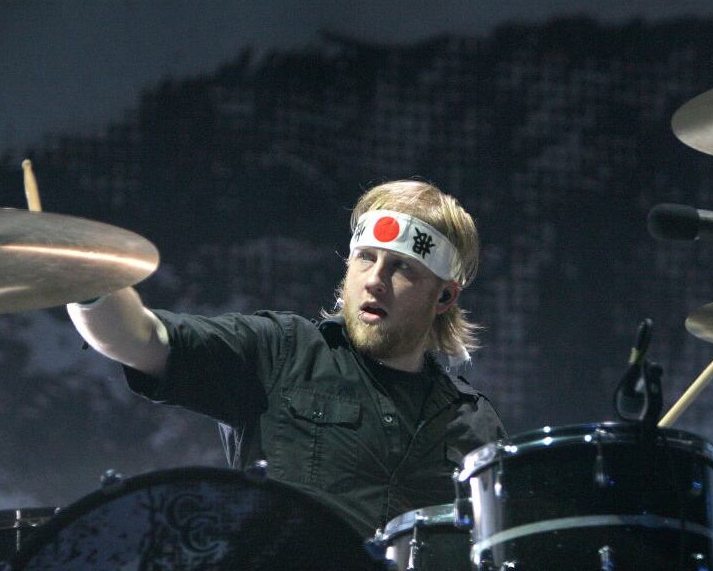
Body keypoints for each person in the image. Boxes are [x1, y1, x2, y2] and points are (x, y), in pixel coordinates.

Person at [67, 179, 506, 537]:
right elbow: (140, 338)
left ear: (445, 296)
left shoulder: (473, 420)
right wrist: (83, 278)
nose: (374, 281)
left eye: (402, 268)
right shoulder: (280, 351)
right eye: (364, 259)